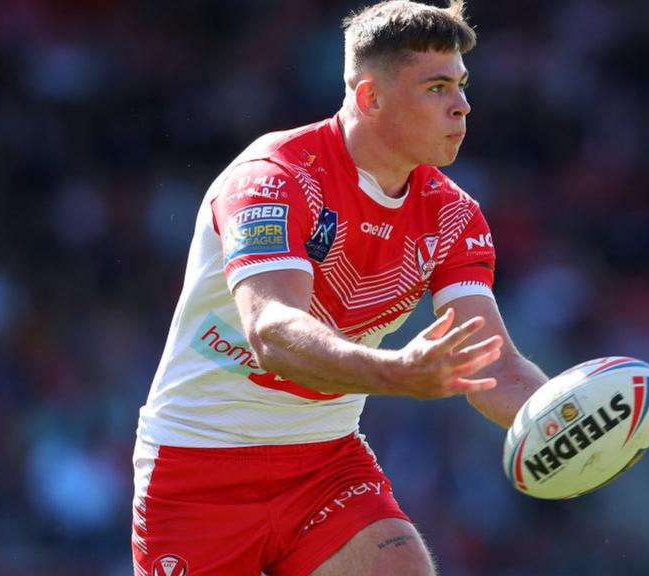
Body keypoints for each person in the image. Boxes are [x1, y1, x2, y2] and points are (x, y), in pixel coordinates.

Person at [132, 1, 548, 574]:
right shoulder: (273, 177)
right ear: (370, 97)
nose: (462, 105)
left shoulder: (455, 215)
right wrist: (396, 372)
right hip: (198, 468)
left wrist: (569, 416)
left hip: (325, 465)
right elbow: (272, 332)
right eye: (437, 87)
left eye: (462, 84)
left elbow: (492, 365)